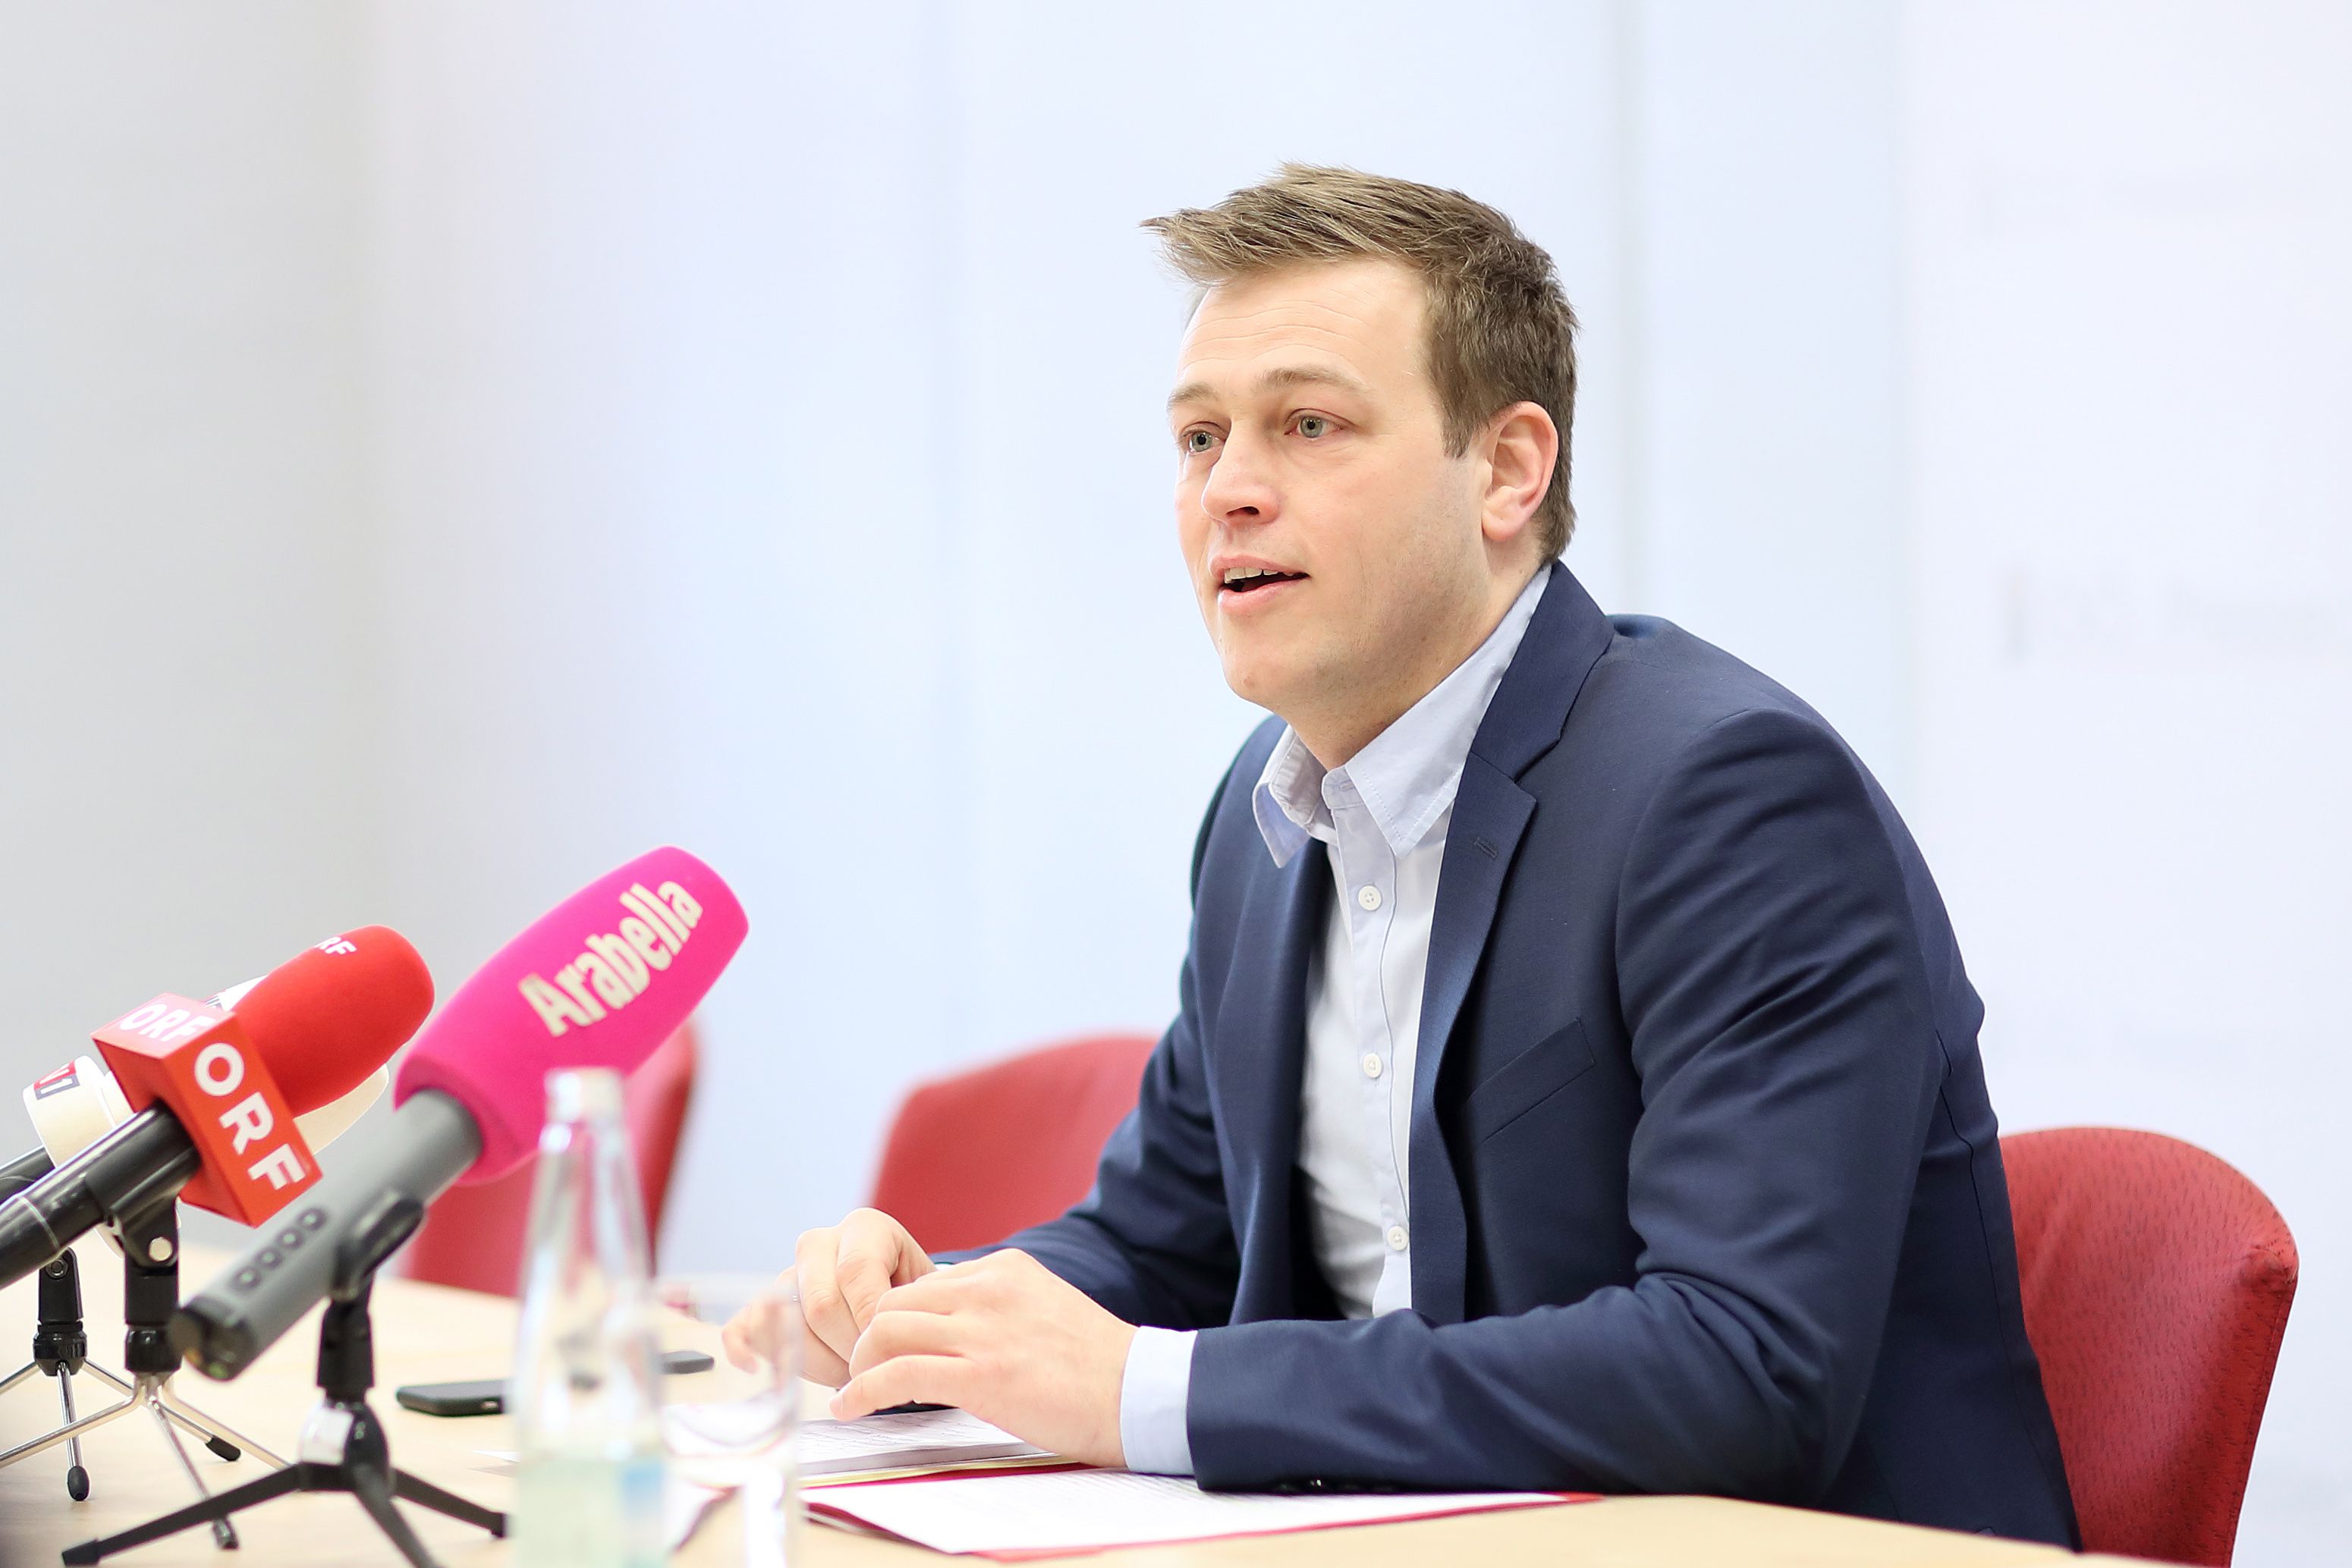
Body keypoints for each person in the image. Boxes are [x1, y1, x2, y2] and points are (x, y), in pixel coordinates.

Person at [733, 165, 2078, 1544]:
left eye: (1308, 425)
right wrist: (921, 1320)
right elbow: (1164, 1245)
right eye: (1199, 438)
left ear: (1507, 470)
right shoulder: (1262, 820)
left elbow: (1740, 1370)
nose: (1228, 492)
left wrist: (1145, 1391)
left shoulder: (1727, 801)